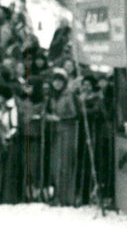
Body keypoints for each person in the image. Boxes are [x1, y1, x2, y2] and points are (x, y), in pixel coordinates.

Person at [45, 65, 78, 206]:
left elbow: (75, 113)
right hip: (55, 132)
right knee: (55, 164)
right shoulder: (52, 96)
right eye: (55, 81)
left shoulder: (68, 95)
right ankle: (58, 194)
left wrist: (59, 117)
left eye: (59, 81)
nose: (57, 84)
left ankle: (66, 197)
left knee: (65, 163)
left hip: (67, 131)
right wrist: (47, 116)